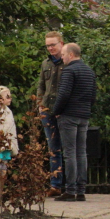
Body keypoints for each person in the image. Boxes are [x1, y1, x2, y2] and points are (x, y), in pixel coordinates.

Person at [53, 43, 97, 203]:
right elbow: (93, 96)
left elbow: (63, 94)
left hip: (69, 115)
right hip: (84, 115)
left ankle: (70, 190)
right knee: (81, 152)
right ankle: (81, 190)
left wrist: (56, 111)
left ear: (71, 55)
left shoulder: (69, 71)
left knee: (69, 153)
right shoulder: (89, 71)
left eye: (63, 54)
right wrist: (85, 109)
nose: (62, 57)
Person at [37, 31, 65, 197]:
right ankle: (55, 185)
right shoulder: (45, 63)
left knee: (68, 149)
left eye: (53, 44)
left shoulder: (69, 62)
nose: (51, 48)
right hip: (47, 110)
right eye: (48, 45)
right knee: (53, 149)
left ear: (61, 43)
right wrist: (40, 105)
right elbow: (41, 85)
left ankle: (71, 186)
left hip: (64, 112)